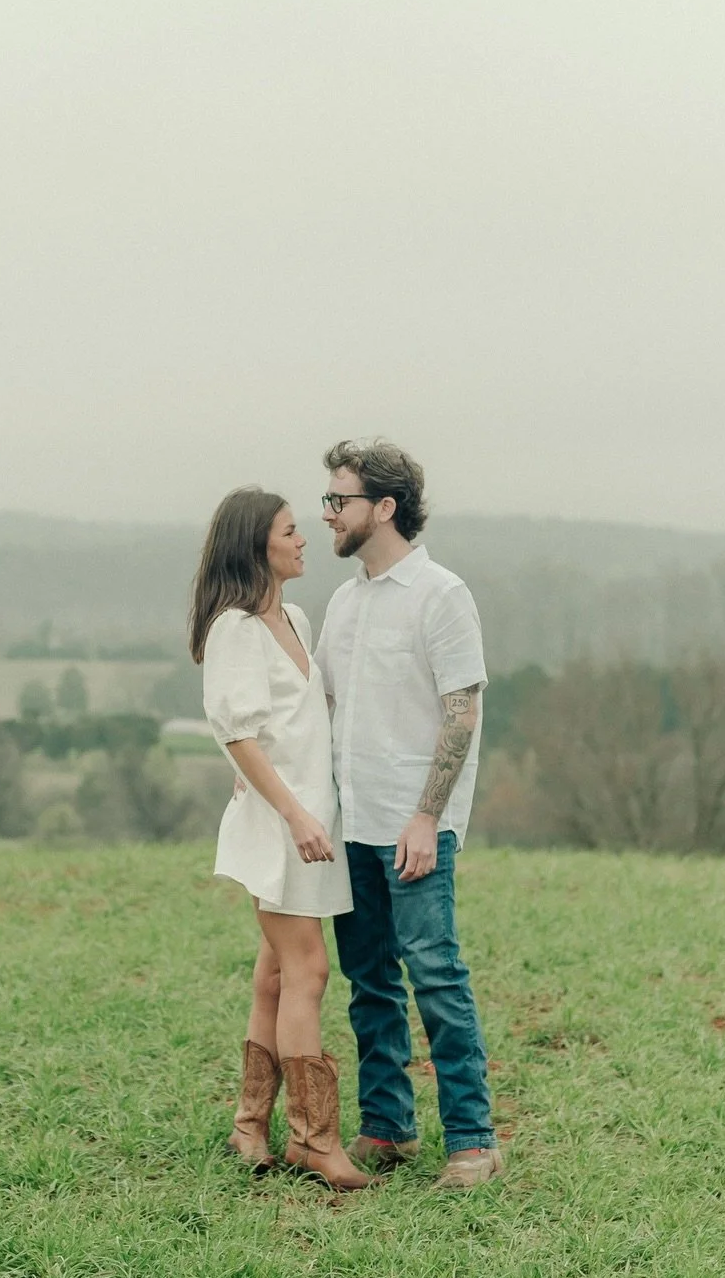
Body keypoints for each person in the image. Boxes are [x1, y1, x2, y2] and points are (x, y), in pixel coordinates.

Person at [315, 438, 506, 1189]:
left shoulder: (442, 596)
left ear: (384, 508)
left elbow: (462, 712)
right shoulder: (343, 600)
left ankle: (473, 1141)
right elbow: (327, 704)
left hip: (412, 827)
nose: (327, 513)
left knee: (435, 973)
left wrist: (428, 818)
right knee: (368, 980)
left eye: (340, 500)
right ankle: (388, 1128)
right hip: (351, 822)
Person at [190, 485, 376, 1191]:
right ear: (256, 545)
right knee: (309, 973)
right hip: (284, 829)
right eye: (291, 532)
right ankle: (314, 1139)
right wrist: (296, 815)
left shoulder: (294, 615)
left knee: (275, 974)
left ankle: (249, 1125)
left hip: (312, 822)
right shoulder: (234, 628)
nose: (304, 541)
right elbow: (234, 731)